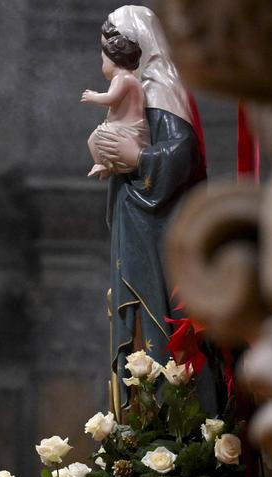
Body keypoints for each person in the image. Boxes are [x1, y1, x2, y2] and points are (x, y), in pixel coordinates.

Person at [90, 6, 209, 413]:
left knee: (157, 318)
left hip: (155, 228)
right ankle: (142, 414)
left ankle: (168, 416)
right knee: (135, 318)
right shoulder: (137, 89)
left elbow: (180, 155)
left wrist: (137, 159)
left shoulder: (160, 89)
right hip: (136, 219)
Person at [82, 32, 148, 179]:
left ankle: (105, 164)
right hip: (119, 125)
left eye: (103, 61)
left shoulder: (123, 78)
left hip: (126, 128)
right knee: (93, 139)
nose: (102, 65)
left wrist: (93, 96)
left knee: (95, 138)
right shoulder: (127, 78)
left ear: (113, 61)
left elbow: (111, 99)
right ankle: (105, 164)